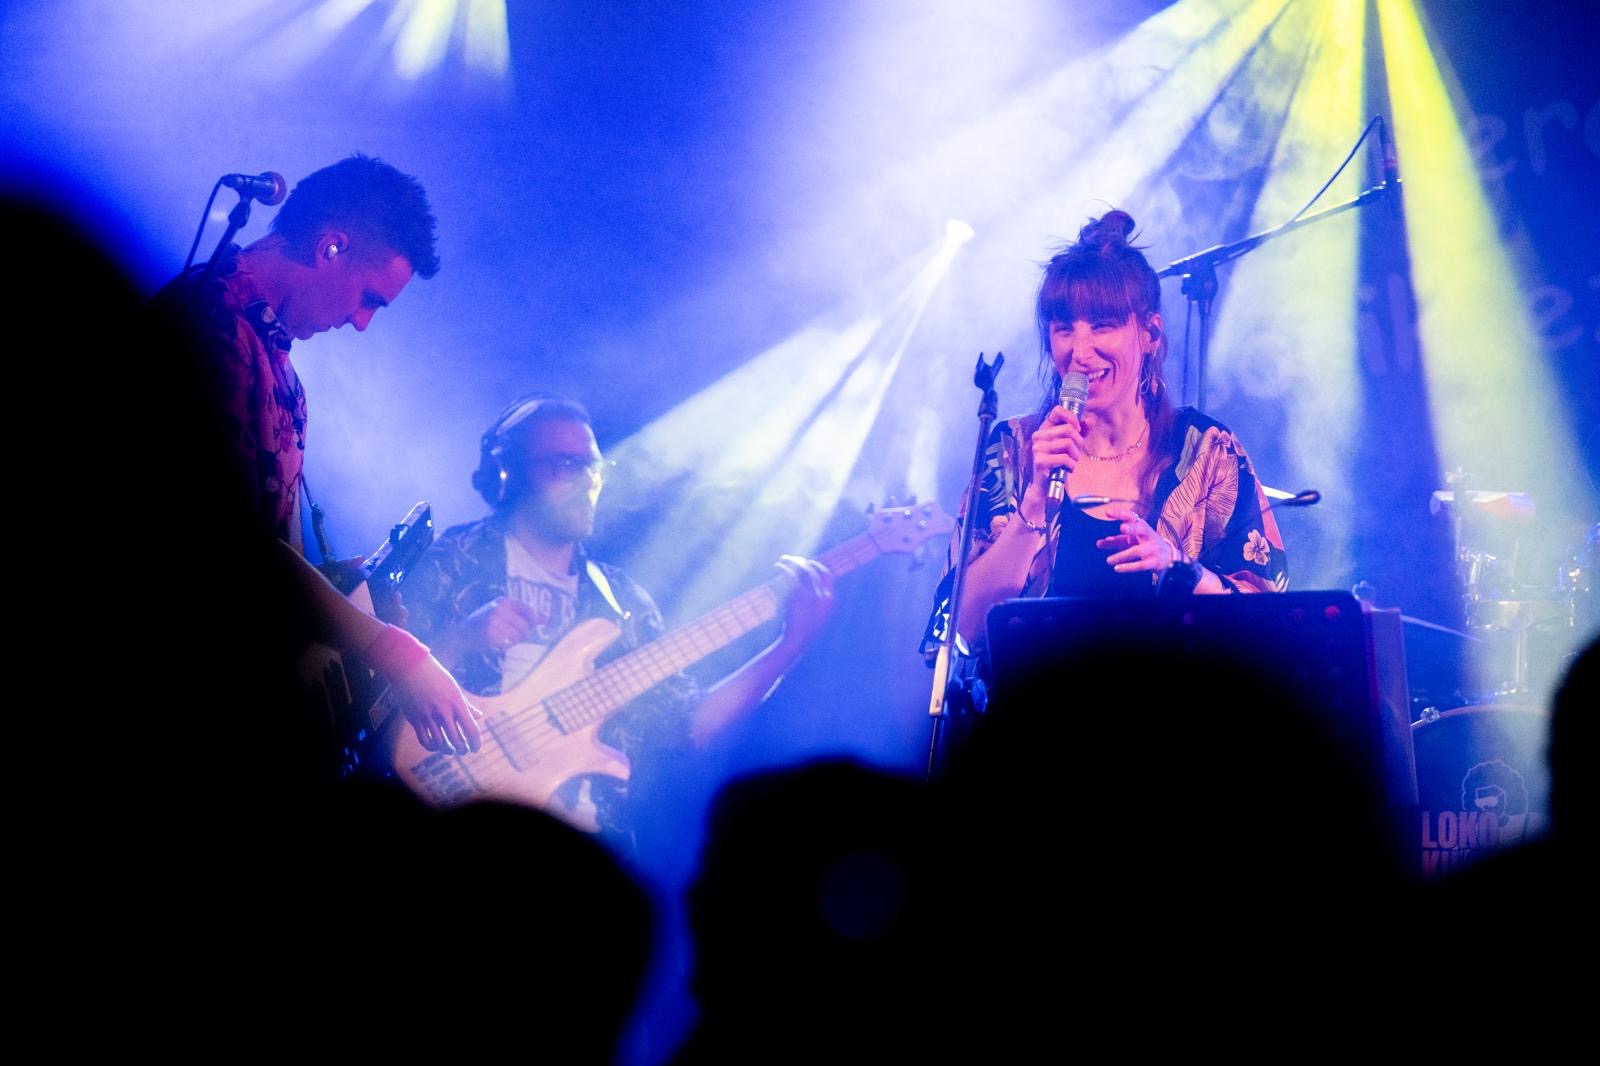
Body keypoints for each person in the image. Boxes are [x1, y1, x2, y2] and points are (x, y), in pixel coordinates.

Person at [155, 154, 482, 759]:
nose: (361, 323)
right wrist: (393, 652)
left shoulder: (274, 361)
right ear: (331, 247)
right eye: (369, 299)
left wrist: (342, 592)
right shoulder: (209, 329)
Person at [404, 395, 835, 839]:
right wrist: (458, 640)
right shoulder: (455, 559)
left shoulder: (622, 601)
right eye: (564, 465)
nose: (585, 481)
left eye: (592, 466)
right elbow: (373, 685)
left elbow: (686, 727)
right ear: (505, 474)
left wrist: (789, 646)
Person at [922, 209, 1287, 655]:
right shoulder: (1013, 450)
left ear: (1150, 332)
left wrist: (1180, 569)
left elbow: (1270, 620)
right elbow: (960, 630)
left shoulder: (1207, 451)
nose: (1080, 351)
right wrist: (1034, 504)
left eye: (1102, 326)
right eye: (1064, 329)